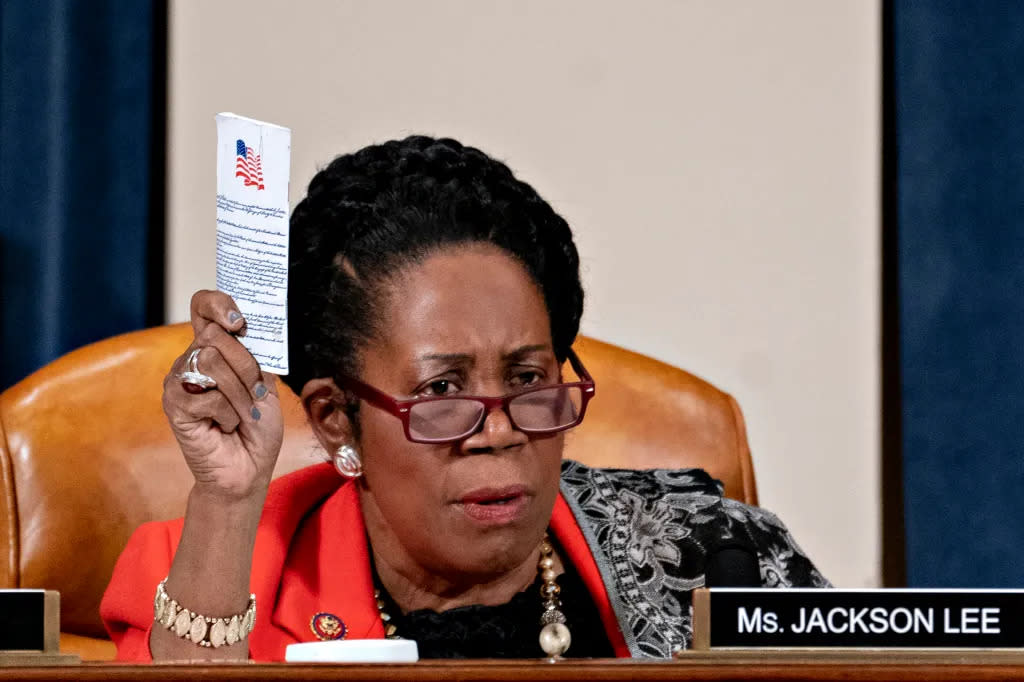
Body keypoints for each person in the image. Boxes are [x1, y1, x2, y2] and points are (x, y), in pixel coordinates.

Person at [101, 136, 827, 661]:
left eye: (527, 378)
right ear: (333, 418)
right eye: (442, 390)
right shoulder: (223, 571)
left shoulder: (707, 556)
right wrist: (227, 506)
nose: (500, 430)